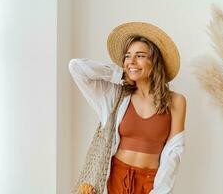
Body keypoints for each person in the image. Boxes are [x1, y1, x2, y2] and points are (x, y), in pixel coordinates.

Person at [69, 22, 187, 194]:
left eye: (139, 56)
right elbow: (76, 67)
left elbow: (174, 152)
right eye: (127, 56)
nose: (131, 61)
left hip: (150, 183)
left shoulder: (176, 101)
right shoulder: (116, 96)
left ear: (154, 61)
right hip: (115, 178)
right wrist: (122, 73)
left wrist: (159, 191)